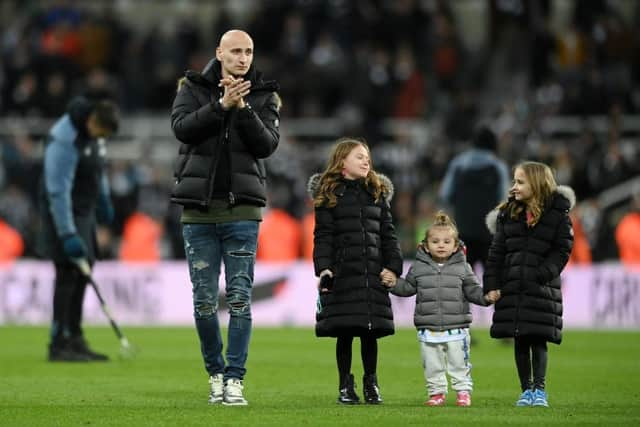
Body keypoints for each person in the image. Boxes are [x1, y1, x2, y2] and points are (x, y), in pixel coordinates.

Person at [170, 29, 281, 406]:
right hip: (198, 212)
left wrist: (243, 108)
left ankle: (234, 379)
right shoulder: (192, 86)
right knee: (203, 302)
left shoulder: (265, 94)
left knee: (239, 299)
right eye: (236, 51)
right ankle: (215, 373)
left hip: (243, 211)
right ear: (219, 52)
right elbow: (181, 129)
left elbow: (266, 145)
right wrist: (220, 105)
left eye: (248, 51)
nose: (243, 58)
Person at [307, 138, 403, 405]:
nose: (366, 161)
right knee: (345, 331)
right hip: (343, 275)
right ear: (342, 163)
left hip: (372, 274)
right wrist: (324, 269)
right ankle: (345, 385)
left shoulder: (377, 194)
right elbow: (323, 236)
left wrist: (393, 268)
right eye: (359, 156)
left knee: (370, 332)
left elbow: (389, 236)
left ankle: (371, 383)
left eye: (367, 157)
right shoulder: (329, 196)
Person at [483, 161, 574, 408]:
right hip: (513, 287)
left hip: (541, 288)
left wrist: (543, 274)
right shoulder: (508, 214)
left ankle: (540, 390)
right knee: (520, 338)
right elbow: (496, 254)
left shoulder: (557, 215)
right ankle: (526, 390)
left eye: (520, 182)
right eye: (514, 181)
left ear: (536, 184)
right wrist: (492, 284)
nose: (514, 187)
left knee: (538, 338)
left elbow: (562, 249)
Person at [384, 211, 498, 407]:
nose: (441, 245)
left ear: (455, 246)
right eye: (435, 241)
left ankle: (463, 392)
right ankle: (436, 393)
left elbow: (473, 290)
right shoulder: (418, 268)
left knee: (459, 363)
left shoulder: (463, 268)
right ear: (426, 245)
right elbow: (408, 288)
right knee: (432, 365)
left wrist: (486, 297)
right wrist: (393, 283)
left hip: (457, 327)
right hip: (428, 328)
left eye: (446, 241)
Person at [38, 95, 119, 362]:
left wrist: (104, 199)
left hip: (84, 213)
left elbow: (98, 171)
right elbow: (57, 190)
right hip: (61, 213)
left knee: (85, 272)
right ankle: (58, 342)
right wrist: (66, 233)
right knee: (67, 273)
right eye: (101, 133)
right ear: (92, 121)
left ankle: (75, 336)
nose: (101, 138)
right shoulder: (64, 138)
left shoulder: (95, 135)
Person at [439, 125, 510, 271]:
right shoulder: (498, 167)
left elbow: (445, 195)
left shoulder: (458, 164)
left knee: (463, 284)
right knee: (493, 284)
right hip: (489, 236)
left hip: (462, 233)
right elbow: (505, 201)